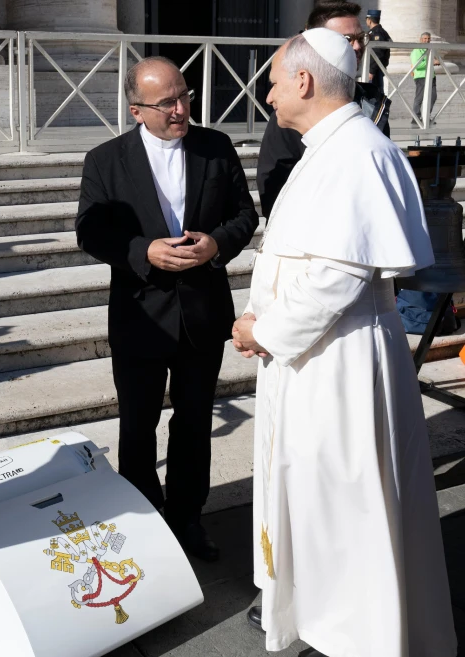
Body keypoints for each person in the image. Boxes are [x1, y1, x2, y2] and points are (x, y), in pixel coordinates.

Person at [232, 28, 457, 657]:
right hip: (315, 354)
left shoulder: (355, 152)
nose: (269, 94)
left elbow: (339, 274)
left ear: (304, 81)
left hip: (340, 358)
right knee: (315, 496)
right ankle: (320, 620)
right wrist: (258, 317)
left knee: (345, 504)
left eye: (274, 81)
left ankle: (359, 635)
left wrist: (265, 330)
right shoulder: (328, 147)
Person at [76, 57, 258, 561]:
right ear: (137, 110)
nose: (180, 109)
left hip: (202, 312)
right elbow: (90, 231)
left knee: (195, 422)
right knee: (137, 426)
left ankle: (188, 518)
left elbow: (246, 214)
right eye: (166, 103)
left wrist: (215, 245)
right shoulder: (105, 160)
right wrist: (143, 251)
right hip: (140, 314)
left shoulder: (215, 147)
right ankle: (143, 520)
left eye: (184, 96)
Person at [256, 1, 391, 221]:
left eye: (360, 38)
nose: (357, 47)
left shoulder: (374, 103)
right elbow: (275, 192)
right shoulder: (291, 113)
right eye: (346, 40)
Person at [411, 32, 439, 126]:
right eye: (425, 39)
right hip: (421, 76)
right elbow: (417, 65)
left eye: (428, 39)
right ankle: (416, 117)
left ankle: (426, 116)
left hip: (431, 76)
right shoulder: (416, 51)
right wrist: (432, 61)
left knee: (433, 96)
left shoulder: (430, 50)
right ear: (420, 39)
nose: (427, 40)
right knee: (420, 97)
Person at [366, 8, 391, 89]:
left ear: (369, 20)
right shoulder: (382, 32)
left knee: (375, 93)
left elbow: (377, 53)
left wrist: (371, 71)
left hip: (375, 69)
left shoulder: (376, 33)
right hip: (377, 68)